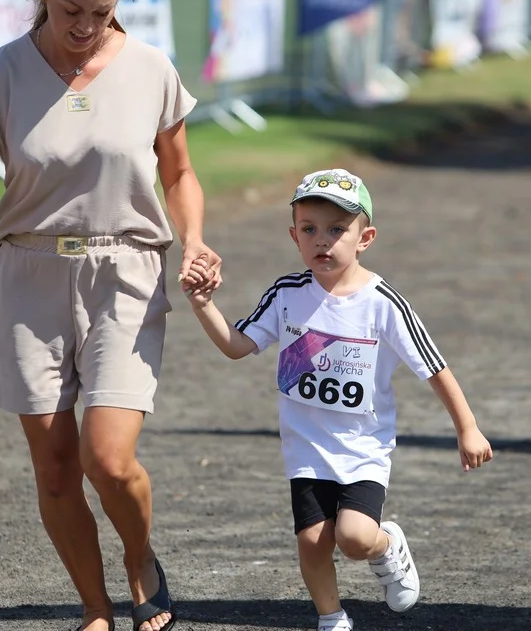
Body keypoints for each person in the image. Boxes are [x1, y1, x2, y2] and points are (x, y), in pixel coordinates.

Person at [0, 0, 221, 630]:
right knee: (58, 466)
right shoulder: (1, 73)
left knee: (108, 457)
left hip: (127, 272)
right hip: (30, 277)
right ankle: (94, 609)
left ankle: (138, 554)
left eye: (102, 10)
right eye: (71, 10)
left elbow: (180, 173)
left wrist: (193, 239)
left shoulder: (152, 68)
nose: (86, 25)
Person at [184, 168, 494, 631]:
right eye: (309, 229)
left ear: (364, 237)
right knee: (312, 541)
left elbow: (433, 366)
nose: (321, 241)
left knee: (352, 537)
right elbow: (236, 345)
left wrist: (467, 427)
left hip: (363, 449)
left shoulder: (383, 303)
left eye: (336, 230)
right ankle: (331, 619)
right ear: (294, 235)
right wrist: (202, 303)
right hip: (306, 449)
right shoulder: (288, 293)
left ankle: (386, 546)